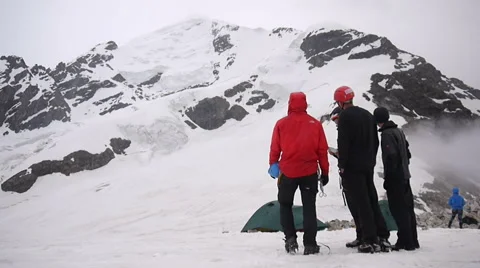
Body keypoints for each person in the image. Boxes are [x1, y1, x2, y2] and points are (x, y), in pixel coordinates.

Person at [269, 91, 330, 255]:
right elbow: (322, 150)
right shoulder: (314, 124)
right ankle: (310, 244)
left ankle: (290, 239)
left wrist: (273, 165)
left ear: (290, 104)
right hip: (309, 172)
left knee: (285, 205)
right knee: (309, 207)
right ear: (305, 104)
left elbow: (275, 148)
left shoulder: (281, 124)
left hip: (288, 173)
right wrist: (325, 172)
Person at [334, 86, 391, 253]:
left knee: (361, 202)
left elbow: (344, 143)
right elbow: (375, 141)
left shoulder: (344, 117)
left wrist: (342, 164)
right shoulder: (367, 114)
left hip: (353, 166)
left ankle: (369, 239)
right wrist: (371, 160)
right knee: (371, 198)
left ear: (339, 101)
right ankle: (382, 235)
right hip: (368, 164)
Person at [374, 107, 419, 251]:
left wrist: (389, 178)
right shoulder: (399, 131)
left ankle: (405, 242)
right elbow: (408, 153)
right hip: (405, 176)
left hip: (396, 178)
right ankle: (413, 240)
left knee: (398, 210)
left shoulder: (387, 134)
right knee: (408, 209)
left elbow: (391, 156)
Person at [329, 107, 363, 248]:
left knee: (357, 205)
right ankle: (361, 235)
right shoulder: (351, 130)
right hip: (352, 172)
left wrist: (338, 155)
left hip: (351, 173)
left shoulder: (346, 132)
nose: (336, 123)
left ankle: (363, 235)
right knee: (355, 206)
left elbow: (348, 153)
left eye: (337, 120)